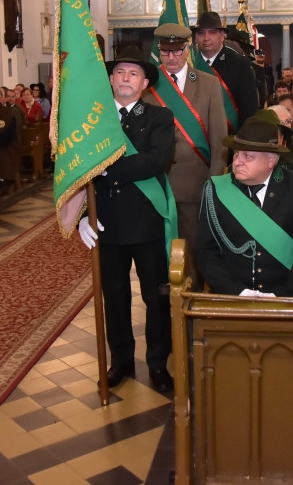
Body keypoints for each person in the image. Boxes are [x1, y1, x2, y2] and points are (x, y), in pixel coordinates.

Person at [77, 47, 176, 393]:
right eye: (119, 72)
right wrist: (81, 214)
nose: (125, 79)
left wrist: (107, 169)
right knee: (114, 298)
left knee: (156, 297)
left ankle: (158, 364)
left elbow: (156, 161)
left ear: (145, 83)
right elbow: (78, 168)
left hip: (146, 221)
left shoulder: (159, 118)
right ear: (110, 79)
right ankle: (121, 362)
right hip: (105, 223)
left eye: (133, 74)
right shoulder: (94, 119)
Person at [195, 115, 293, 297]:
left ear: (271, 160)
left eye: (247, 156)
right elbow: (205, 251)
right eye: (237, 154)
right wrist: (236, 292)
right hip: (231, 297)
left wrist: (285, 294)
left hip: (286, 298)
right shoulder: (217, 190)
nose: (237, 162)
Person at [144, 24, 227, 249]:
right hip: (157, 183)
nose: (171, 57)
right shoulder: (146, 87)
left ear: (188, 48)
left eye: (177, 50)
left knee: (194, 249)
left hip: (196, 183)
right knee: (158, 247)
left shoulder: (208, 84)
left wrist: (214, 182)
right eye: (165, 51)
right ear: (158, 50)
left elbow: (220, 138)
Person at [193, 11, 259, 130]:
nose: (206, 38)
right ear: (196, 38)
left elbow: (249, 108)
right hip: (197, 135)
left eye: (212, 32)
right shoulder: (189, 63)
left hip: (229, 138)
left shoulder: (240, 64)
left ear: (223, 35)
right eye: (201, 33)